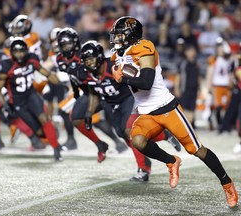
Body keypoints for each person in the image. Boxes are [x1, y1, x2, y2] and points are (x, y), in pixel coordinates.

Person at [110, 16, 238, 208]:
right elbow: (118, 77)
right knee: (137, 140)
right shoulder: (118, 55)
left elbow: (146, 81)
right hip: (146, 112)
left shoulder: (144, 47)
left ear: (132, 35)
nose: (117, 39)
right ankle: (171, 161)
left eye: (120, 35)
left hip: (166, 107)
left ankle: (227, 184)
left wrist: (123, 78)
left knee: (196, 150)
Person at [81, 40, 181, 181]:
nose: (89, 63)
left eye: (91, 59)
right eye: (86, 60)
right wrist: (89, 113)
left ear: (99, 56)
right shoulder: (86, 74)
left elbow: (136, 76)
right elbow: (93, 93)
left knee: (130, 132)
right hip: (111, 104)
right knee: (123, 134)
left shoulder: (113, 65)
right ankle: (164, 136)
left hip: (128, 99)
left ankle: (143, 169)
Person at [56, 27, 128, 157]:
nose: (66, 47)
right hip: (84, 91)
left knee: (110, 124)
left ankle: (120, 143)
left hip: (97, 89)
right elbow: (73, 77)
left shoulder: (84, 56)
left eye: (68, 44)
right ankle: (100, 143)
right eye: (63, 45)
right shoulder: (60, 59)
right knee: (78, 117)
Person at [0, 37, 62, 161]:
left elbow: (46, 73)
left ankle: (56, 149)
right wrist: (6, 106)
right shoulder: (6, 66)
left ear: (26, 51)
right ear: (11, 52)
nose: (19, 54)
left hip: (31, 94)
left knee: (44, 118)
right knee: (39, 132)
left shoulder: (32, 59)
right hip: (18, 101)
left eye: (22, 51)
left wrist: (59, 83)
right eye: (16, 51)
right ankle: (52, 134)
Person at [42, 27, 77, 149]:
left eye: (56, 40)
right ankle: (54, 130)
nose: (54, 43)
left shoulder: (69, 51)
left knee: (64, 111)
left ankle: (71, 139)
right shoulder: (53, 52)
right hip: (57, 81)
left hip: (69, 83)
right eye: (52, 40)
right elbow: (48, 65)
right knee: (49, 103)